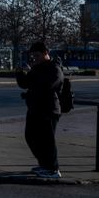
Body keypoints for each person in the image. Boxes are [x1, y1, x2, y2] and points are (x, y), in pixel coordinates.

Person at [16, 41, 65, 179]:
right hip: (34, 108)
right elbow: (25, 84)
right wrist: (20, 73)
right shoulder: (37, 68)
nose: (35, 59)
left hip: (48, 109)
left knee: (47, 140)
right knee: (31, 137)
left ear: (45, 53)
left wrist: (33, 80)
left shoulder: (54, 68)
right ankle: (44, 164)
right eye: (33, 56)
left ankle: (53, 169)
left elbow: (48, 85)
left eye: (37, 55)